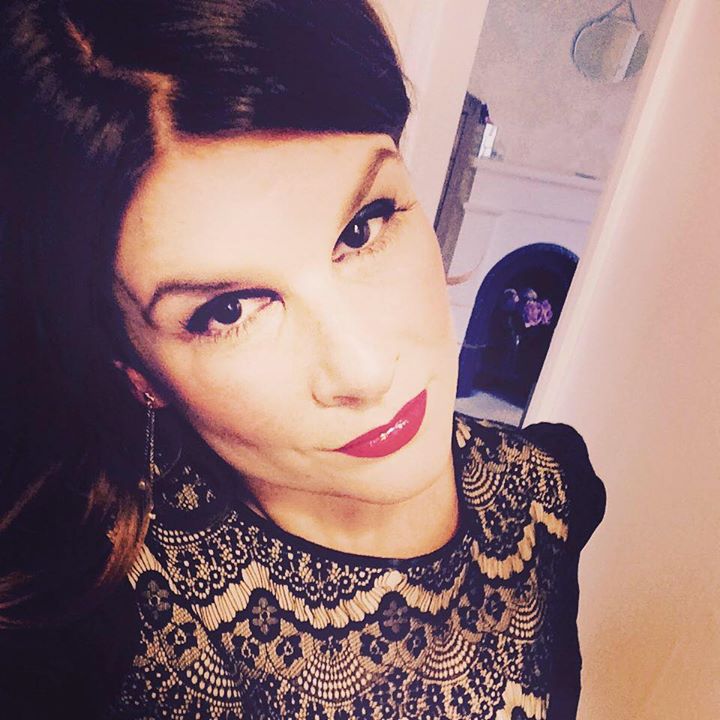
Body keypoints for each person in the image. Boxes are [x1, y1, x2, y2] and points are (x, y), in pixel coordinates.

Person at [0, 1, 606, 718]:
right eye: (229, 311)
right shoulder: (94, 638)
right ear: (132, 369)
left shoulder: (551, 489)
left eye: (363, 227)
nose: (365, 371)